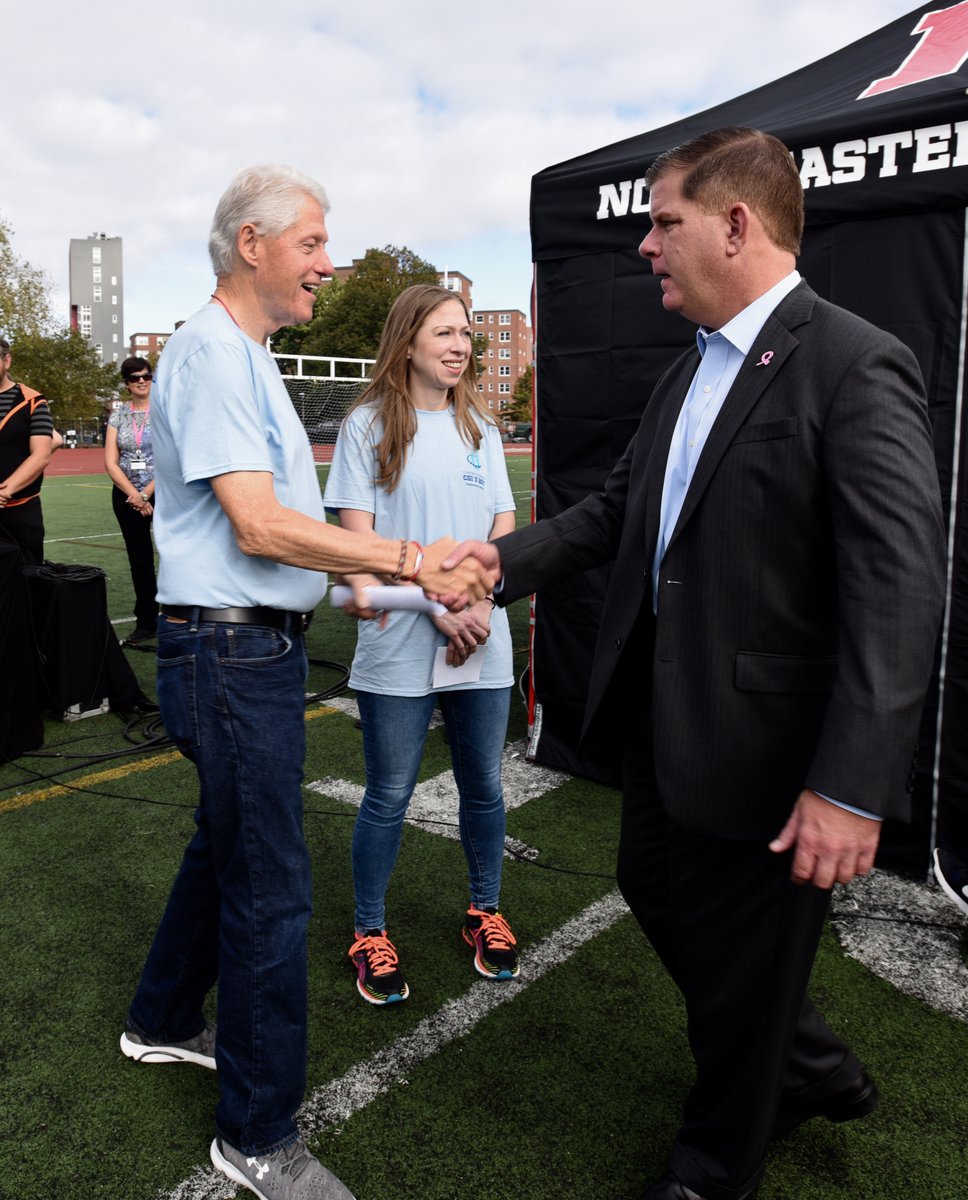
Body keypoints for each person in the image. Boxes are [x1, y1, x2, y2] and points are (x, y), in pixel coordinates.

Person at [443, 128, 946, 1200]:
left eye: (663, 221)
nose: (643, 246)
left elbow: (896, 592)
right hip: (664, 729)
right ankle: (807, 1065)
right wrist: (497, 563)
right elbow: (616, 513)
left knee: (744, 957)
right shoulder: (689, 372)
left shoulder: (853, 363)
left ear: (735, 224)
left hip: (771, 754)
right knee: (659, 892)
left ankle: (712, 1167)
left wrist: (850, 787)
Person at [116, 164, 491, 1200]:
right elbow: (260, 524)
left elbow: (291, 544)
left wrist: (379, 572)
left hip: (249, 650)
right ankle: (256, 1139)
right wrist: (412, 562)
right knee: (272, 891)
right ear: (253, 245)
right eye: (314, 243)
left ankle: (157, 1019)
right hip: (232, 659)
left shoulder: (242, 358)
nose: (328, 263)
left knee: (221, 847)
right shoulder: (210, 352)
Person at [324, 283, 518, 1006]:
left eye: (465, 333)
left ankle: (484, 910)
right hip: (402, 637)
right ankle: (368, 930)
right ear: (407, 342)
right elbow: (357, 549)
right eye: (443, 332)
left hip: (482, 635)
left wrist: (476, 599)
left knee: (485, 788)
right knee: (389, 794)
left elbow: (504, 529)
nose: (460, 345)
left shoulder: (481, 429)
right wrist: (439, 602)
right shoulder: (366, 427)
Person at [105, 356, 158, 643]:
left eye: (146, 376)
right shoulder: (117, 415)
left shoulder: (164, 410)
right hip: (126, 495)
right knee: (139, 560)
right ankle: (147, 621)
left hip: (162, 490)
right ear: (126, 383)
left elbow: (171, 457)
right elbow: (111, 462)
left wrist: (147, 492)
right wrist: (135, 496)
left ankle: (180, 615)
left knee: (175, 554)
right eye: (135, 377)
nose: (141, 381)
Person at [0, 336, 56, 564]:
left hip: (21, 513)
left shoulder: (32, 400)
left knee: (27, 582)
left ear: (7, 361)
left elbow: (41, 455)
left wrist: (4, 491)